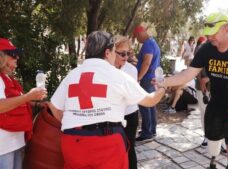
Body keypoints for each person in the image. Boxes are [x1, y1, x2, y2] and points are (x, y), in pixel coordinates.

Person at [48, 31, 166, 169]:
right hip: (107, 144)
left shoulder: (72, 75)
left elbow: (54, 105)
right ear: (107, 52)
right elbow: (150, 100)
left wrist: (73, 122)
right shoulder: (117, 76)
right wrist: (162, 88)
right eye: (115, 51)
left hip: (73, 142)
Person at [156, 13, 228, 169]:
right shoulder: (206, 49)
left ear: (227, 29)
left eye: (214, 32)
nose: (210, 36)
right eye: (208, 33)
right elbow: (188, 74)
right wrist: (164, 82)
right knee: (212, 140)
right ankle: (213, 162)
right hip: (216, 102)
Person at [0, 38, 47, 169]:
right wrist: (28, 96)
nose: (17, 58)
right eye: (13, 55)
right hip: (3, 146)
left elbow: (15, 103)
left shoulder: (8, 78)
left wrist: (37, 103)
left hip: (15, 141)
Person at [114, 36, 139, 169]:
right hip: (112, 116)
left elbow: (129, 96)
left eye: (128, 53)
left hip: (129, 115)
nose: (125, 56)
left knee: (129, 149)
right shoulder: (106, 68)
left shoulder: (131, 70)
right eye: (122, 53)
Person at [133, 25, 161, 142]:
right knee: (151, 104)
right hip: (151, 77)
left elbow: (147, 63)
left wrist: (139, 77)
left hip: (146, 78)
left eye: (136, 37)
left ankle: (147, 133)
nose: (137, 40)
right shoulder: (152, 42)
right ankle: (151, 130)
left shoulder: (147, 44)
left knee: (145, 105)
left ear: (140, 34)